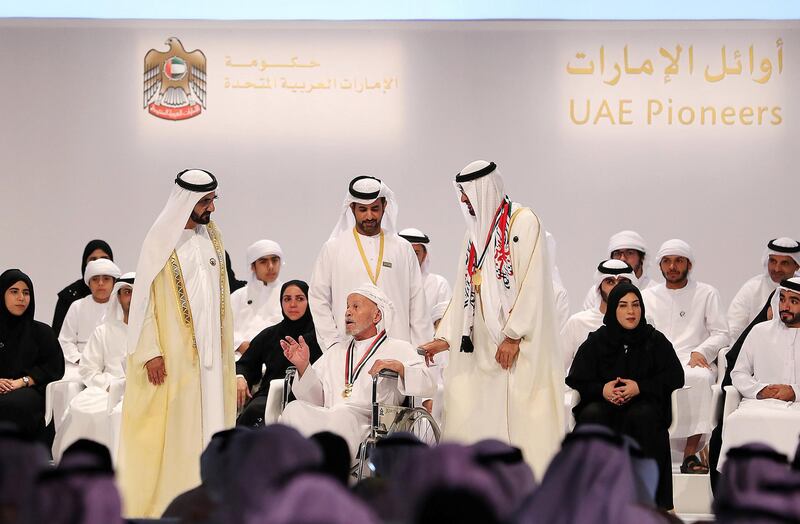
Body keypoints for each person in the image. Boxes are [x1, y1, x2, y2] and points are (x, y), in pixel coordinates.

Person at [419, 160, 564, 478]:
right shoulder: (473, 235)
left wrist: (513, 335)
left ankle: (526, 482)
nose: (463, 201)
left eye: (468, 194)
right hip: (480, 345)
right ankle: (473, 482)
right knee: (469, 406)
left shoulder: (523, 223)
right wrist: (444, 337)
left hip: (518, 346)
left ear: (484, 190)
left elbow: (533, 285)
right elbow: (463, 290)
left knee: (523, 419)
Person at [118, 169, 236, 518]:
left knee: (214, 422)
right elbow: (144, 303)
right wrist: (150, 351)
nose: (211, 207)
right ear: (185, 200)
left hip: (212, 359)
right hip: (174, 357)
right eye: (204, 201)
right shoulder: (159, 240)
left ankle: (214, 498)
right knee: (179, 431)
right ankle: (176, 501)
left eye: (213, 199)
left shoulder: (213, 235)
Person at [281, 283, 436, 458]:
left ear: (377, 316)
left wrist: (400, 368)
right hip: (331, 415)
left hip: (369, 423)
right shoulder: (335, 351)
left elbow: (429, 383)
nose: (348, 312)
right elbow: (315, 400)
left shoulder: (399, 348)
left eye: (355, 306)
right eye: (347, 306)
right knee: (293, 409)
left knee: (342, 415)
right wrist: (303, 366)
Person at [567, 282, 684, 510]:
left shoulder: (654, 340)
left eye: (636, 305)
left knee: (643, 416)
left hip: (644, 404)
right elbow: (576, 378)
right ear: (612, 309)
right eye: (623, 305)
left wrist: (640, 387)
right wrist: (603, 389)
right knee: (592, 416)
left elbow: (675, 376)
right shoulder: (596, 341)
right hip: (603, 404)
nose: (631, 312)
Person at [309, 176, 431, 350]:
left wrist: (420, 351)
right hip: (347, 350)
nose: (369, 216)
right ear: (352, 208)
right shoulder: (333, 248)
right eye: (362, 210)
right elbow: (318, 298)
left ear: (384, 206)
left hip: (397, 349)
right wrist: (332, 344)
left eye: (375, 209)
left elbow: (417, 304)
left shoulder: (402, 248)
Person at [642, 239, 729, 473]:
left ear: (689, 264)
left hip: (693, 359)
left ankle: (691, 455)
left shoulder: (707, 293)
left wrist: (702, 351)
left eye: (678, 261)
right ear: (660, 266)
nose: (672, 267)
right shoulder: (648, 296)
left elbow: (721, 333)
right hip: (658, 359)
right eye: (667, 261)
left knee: (699, 379)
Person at [51, 273, 134, 462]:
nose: (132, 298)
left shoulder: (154, 331)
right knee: (82, 408)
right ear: (118, 297)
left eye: (137, 293)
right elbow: (89, 369)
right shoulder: (103, 331)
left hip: (144, 390)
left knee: (121, 413)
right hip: (108, 386)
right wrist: (111, 385)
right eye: (127, 292)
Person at [720, 277, 800, 467]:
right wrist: (759, 390)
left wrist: (794, 391)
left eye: (793, 301)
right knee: (738, 421)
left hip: (797, 405)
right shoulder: (759, 332)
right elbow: (738, 373)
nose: (785, 306)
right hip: (759, 403)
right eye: (782, 299)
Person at [235, 280, 323, 427]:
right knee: (253, 413)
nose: (293, 304)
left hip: (309, 398)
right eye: (287, 299)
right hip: (270, 396)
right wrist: (240, 378)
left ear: (309, 301)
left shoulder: (321, 336)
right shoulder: (270, 334)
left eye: (300, 299)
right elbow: (246, 364)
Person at [0, 269, 65, 440]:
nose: (21, 298)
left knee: (13, 405)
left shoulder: (42, 332)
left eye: (26, 292)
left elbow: (55, 367)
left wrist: (22, 382)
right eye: (14, 292)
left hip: (30, 390)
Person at [561, 259, 637, 372]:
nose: (616, 288)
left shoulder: (639, 323)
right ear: (599, 287)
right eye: (610, 282)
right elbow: (555, 367)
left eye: (622, 282)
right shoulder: (578, 322)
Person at [58, 258, 121, 380]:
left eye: (106, 279)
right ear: (89, 283)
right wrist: (81, 359)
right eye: (95, 279)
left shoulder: (121, 307)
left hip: (113, 363)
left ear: (114, 282)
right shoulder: (77, 306)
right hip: (80, 363)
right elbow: (65, 341)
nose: (101, 283)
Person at [727, 237, 800, 341]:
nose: (777, 269)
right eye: (773, 261)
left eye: (784, 263)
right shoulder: (752, 287)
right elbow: (733, 329)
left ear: (797, 265)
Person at [230, 239, 284, 356]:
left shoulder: (288, 296)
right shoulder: (238, 296)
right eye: (263, 261)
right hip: (240, 359)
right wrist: (239, 344)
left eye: (275, 260)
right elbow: (222, 327)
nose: (270, 266)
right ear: (253, 266)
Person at [582, 230, 656, 311]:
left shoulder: (655, 292)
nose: (622, 258)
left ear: (642, 258)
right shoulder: (597, 292)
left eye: (629, 253)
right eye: (617, 253)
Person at [52, 239, 114, 336]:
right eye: (93, 260)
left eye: (104, 259)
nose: (98, 263)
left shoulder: (121, 293)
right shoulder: (70, 296)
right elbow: (60, 338)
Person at [398, 227, 452, 322]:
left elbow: (446, 324)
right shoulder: (386, 281)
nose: (411, 258)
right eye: (406, 252)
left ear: (424, 255)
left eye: (416, 253)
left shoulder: (439, 285)